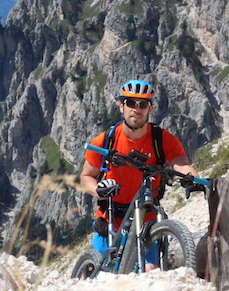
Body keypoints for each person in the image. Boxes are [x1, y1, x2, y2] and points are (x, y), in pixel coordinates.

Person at [80, 79, 198, 272]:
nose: (136, 109)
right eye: (130, 103)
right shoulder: (105, 141)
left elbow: (181, 164)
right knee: (100, 274)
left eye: (143, 104)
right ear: (121, 106)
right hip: (111, 219)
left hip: (147, 219)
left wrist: (193, 178)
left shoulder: (162, 140)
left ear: (150, 109)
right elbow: (86, 177)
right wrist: (99, 190)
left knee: (150, 270)